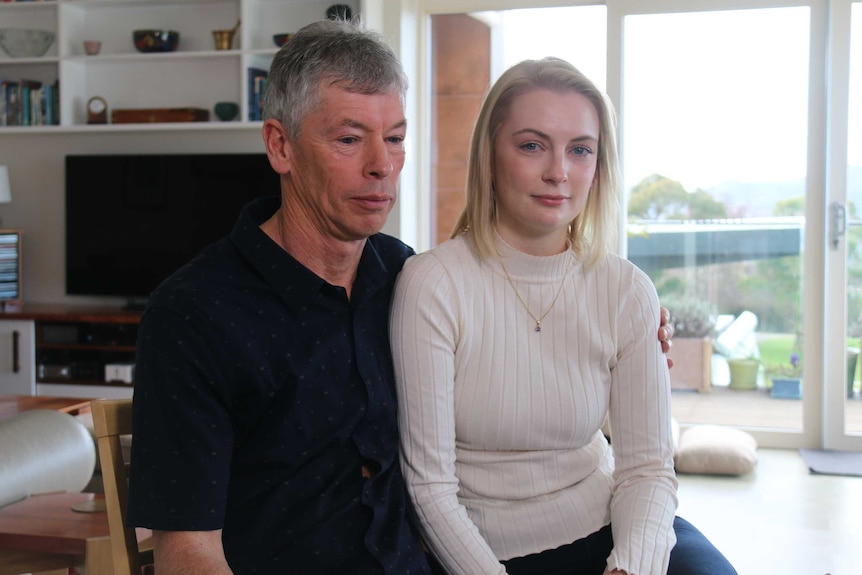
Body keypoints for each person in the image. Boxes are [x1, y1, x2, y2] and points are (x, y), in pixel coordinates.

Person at [126, 21, 675, 575]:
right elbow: (187, 551)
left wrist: (639, 329)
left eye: (394, 138)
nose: (381, 166)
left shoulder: (401, 273)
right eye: (348, 138)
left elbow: (515, 336)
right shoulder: (192, 316)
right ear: (280, 145)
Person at [390, 57, 736, 575]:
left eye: (580, 150)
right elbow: (429, 488)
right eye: (532, 145)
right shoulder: (433, 284)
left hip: (608, 526)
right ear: (489, 156)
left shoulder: (626, 289)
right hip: (479, 551)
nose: (559, 172)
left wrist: (631, 567)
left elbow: (647, 469)